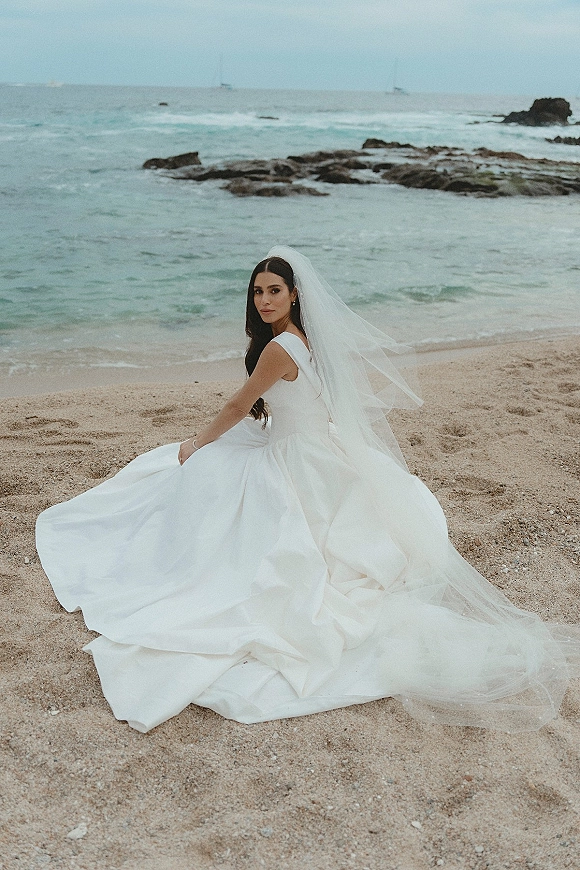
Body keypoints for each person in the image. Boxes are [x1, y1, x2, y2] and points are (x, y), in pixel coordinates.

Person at [36, 245, 580, 734]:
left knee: (195, 470)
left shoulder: (281, 350)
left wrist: (195, 443)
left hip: (294, 454)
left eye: (275, 290)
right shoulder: (300, 340)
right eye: (258, 291)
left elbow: (232, 405)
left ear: (295, 295)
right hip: (310, 443)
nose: (265, 298)